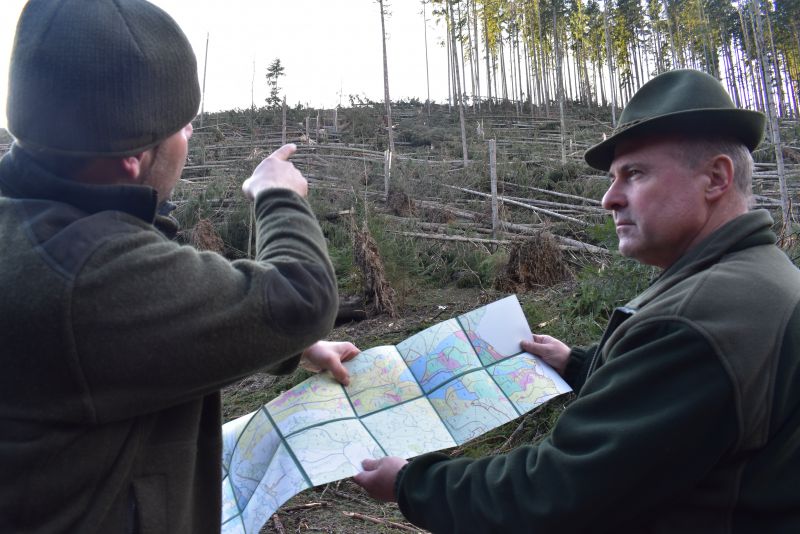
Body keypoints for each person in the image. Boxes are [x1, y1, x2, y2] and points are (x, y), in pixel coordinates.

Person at [355, 69, 800, 532]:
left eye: (635, 174)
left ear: (715, 178)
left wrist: (410, 482)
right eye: (613, 178)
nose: (610, 199)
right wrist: (578, 365)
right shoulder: (762, 276)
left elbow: (553, 492)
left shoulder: (700, 318)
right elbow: (683, 408)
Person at [0, 1, 358, 532]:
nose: (189, 137)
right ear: (133, 159)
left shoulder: (35, 227)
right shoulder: (86, 275)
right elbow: (300, 299)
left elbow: (121, 333)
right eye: (184, 127)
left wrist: (286, 347)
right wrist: (277, 196)